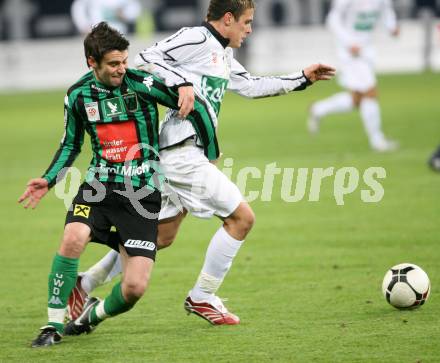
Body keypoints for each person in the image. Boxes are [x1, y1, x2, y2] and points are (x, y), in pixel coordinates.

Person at [67, 0, 335, 326]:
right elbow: (146, 58)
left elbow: (250, 86)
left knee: (160, 236)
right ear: (227, 19)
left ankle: (85, 283)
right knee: (241, 219)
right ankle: (202, 296)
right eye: (246, 22)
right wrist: (182, 83)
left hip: (178, 154)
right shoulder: (196, 38)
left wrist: (302, 78)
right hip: (181, 153)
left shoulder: (223, 54)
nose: (249, 29)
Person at [19, 21, 219, 348]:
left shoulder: (140, 84)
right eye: (114, 64)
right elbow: (71, 144)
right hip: (99, 187)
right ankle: (52, 326)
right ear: (91, 63)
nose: (122, 69)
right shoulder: (78, 95)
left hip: (141, 194)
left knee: (134, 288)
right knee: (73, 237)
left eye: (125, 61)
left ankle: (90, 316)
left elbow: (194, 106)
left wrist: (209, 156)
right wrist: (49, 178)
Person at [307, 0, 399, 152]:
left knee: (358, 100)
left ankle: (318, 109)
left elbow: (386, 11)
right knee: (370, 92)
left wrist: (392, 26)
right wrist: (349, 42)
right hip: (350, 52)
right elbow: (332, 20)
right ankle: (377, 141)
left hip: (367, 50)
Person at [71, 0, 141, 35]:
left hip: (120, 32)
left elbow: (135, 8)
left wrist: (125, 15)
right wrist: (83, 26)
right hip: (96, 33)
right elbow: (78, 7)